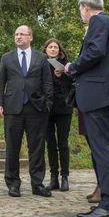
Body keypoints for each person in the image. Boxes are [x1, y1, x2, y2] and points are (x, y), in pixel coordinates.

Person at [64, 0, 109, 217]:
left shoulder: (98, 22)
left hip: (97, 95)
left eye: (80, 10)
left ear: (85, 6)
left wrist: (72, 66)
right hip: (105, 94)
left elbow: (96, 51)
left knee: (102, 150)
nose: (81, 14)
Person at [0, 26, 54, 198]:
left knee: (37, 147)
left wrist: (48, 104)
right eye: (16, 34)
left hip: (36, 108)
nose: (18, 37)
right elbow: (0, 82)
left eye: (22, 34)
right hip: (13, 108)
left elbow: (47, 82)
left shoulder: (41, 58)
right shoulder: (7, 58)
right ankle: (13, 184)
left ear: (30, 37)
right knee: (12, 147)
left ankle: (37, 184)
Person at [43, 38, 73, 192]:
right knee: (50, 144)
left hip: (64, 108)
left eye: (56, 47)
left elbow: (73, 84)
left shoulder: (67, 65)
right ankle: (53, 178)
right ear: (46, 50)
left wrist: (62, 76)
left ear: (60, 51)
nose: (53, 49)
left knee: (63, 143)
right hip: (47, 109)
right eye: (50, 47)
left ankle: (65, 177)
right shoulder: (41, 64)